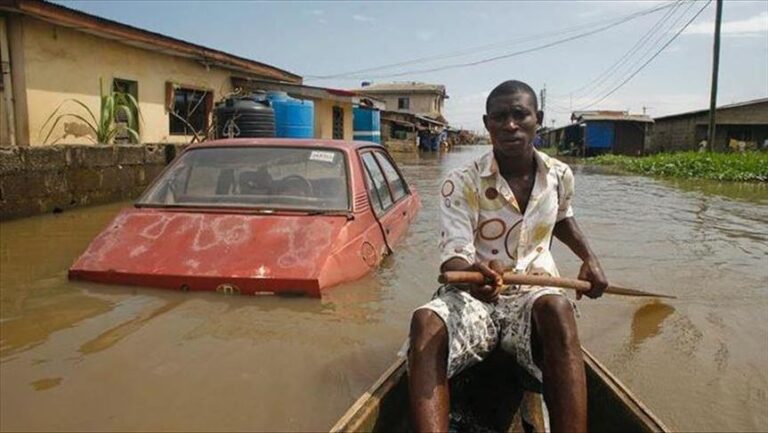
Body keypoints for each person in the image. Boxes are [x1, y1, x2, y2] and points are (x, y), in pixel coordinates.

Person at [407, 80, 608, 433]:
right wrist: (474, 275)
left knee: (559, 311)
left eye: (520, 115)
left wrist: (589, 257)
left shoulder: (560, 175)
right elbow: (453, 257)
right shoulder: (461, 181)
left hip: (533, 295)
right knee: (424, 323)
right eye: (500, 117)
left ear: (538, 119)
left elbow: (561, 216)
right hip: (476, 300)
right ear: (487, 124)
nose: (510, 125)